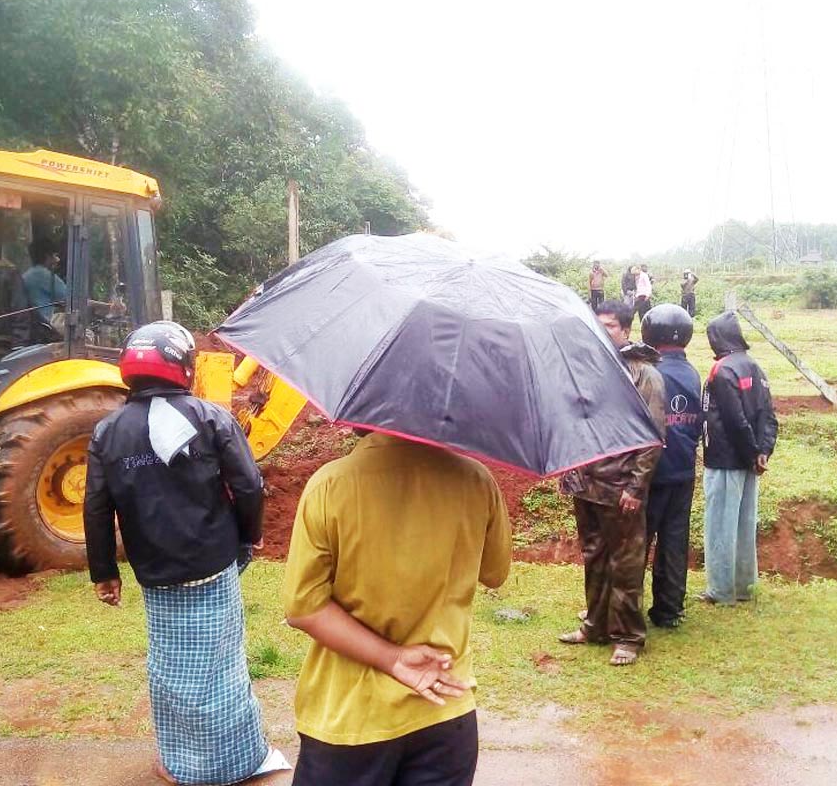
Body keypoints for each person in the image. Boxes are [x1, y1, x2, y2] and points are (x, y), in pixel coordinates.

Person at [84, 321, 289, 785]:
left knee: (172, 669)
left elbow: (97, 507)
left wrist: (103, 572)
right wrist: (247, 536)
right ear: (184, 368)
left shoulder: (108, 432)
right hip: (215, 566)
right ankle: (235, 763)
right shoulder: (211, 417)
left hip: (155, 574)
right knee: (222, 666)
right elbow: (249, 485)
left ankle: (180, 764)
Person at [283, 429, 511, 786]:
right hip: (446, 707)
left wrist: (393, 658)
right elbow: (495, 573)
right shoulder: (477, 480)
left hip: (350, 717)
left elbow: (304, 608)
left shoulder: (331, 485)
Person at [558, 300, 666, 665]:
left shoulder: (643, 374)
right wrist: (570, 467)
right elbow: (574, 420)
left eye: (610, 326)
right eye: (597, 325)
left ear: (626, 329)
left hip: (622, 487)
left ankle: (628, 637)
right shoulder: (586, 368)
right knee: (594, 558)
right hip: (587, 483)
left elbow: (652, 437)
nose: (603, 332)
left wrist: (637, 487)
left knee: (626, 563)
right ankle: (595, 625)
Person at [698, 311, 777, 606]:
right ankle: (745, 587)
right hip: (750, 461)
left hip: (724, 460)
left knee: (720, 525)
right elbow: (768, 416)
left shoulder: (722, 370)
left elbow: (734, 420)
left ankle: (720, 591)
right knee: (745, 524)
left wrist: (750, 453)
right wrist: (761, 453)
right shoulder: (755, 368)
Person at [641, 304, 702, 628]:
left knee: (638, 541)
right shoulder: (692, 373)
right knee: (674, 541)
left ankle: (626, 607)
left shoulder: (650, 372)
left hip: (652, 471)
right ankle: (669, 609)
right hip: (683, 469)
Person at [22, 241, 68, 324]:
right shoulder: (45, 275)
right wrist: (98, 305)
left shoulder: (27, 275)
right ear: (47, 256)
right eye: (55, 255)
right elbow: (71, 299)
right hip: (45, 327)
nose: (58, 260)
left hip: (31, 324)